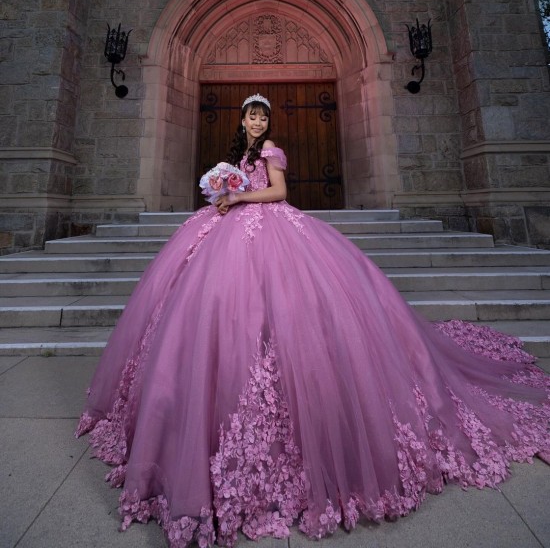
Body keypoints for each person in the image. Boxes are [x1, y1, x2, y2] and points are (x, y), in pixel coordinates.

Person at [77, 94, 550, 548]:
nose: (258, 124)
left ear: (268, 123)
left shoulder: (270, 152)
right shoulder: (241, 153)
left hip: (274, 229)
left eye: (263, 118)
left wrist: (239, 200)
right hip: (235, 230)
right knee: (218, 306)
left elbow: (279, 191)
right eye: (251, 117)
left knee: (286, 305)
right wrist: (224, 195)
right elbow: (242, 186)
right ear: (241, 121)